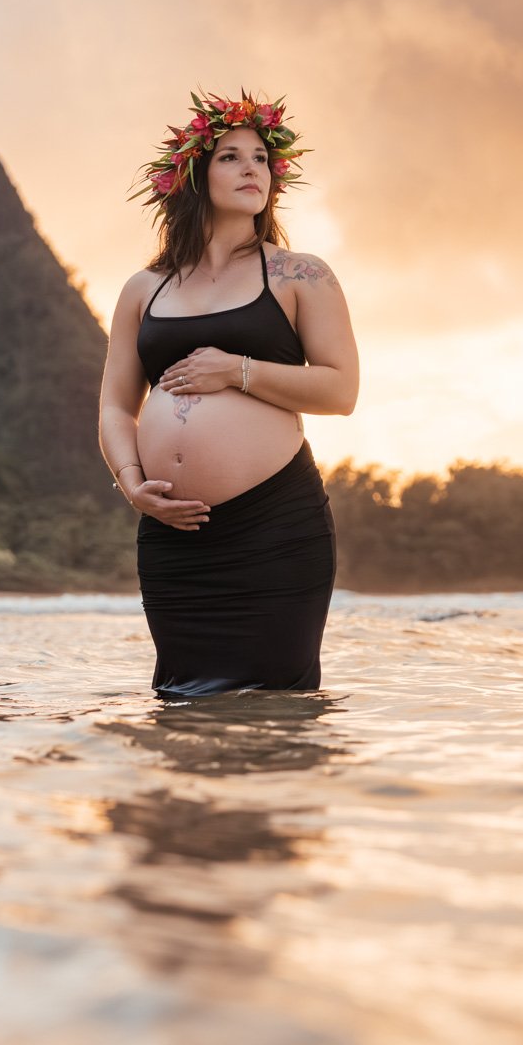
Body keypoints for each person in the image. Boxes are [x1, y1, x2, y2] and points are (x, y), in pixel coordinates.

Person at [97, 90, 359, 698]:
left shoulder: (301, 274)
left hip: (273, 528)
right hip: (172, 535)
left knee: (276, 712)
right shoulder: (145, 288)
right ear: (192, 174)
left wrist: (237, 371)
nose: (252, 169)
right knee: (180, 709)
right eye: (231, 157)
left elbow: (341, 389)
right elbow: (114, 405)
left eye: (262, 158)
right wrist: (133, 484)